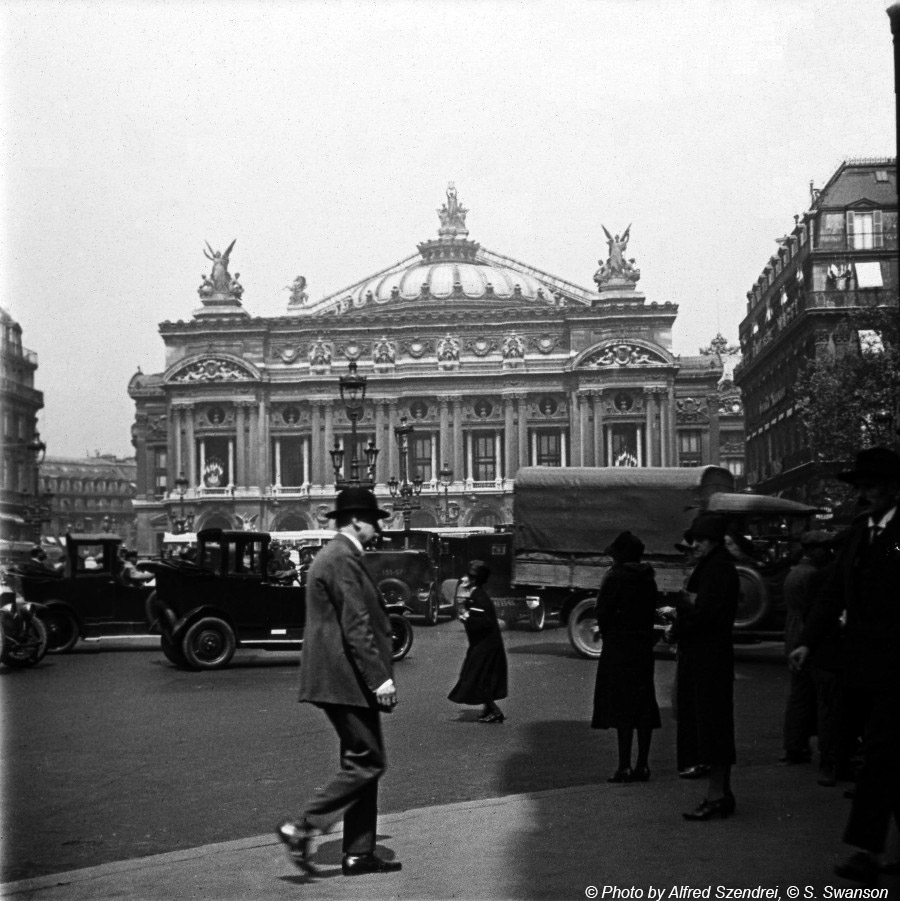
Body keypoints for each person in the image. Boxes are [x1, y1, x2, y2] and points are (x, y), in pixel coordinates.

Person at [276, 487, 400, 878]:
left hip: (340, 676)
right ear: (356, 521)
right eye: (375, 522)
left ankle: (358, 853)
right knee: (370, 760)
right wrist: (379, 679)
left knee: (360, 760)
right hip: (345, 676)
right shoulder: (343, 558)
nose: (378, 530)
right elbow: (356, 623)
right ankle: (303, 825)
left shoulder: (337, 555)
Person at [790, 447, 900, 884]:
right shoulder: (860, 533)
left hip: (897, 667)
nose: (865, 494)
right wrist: (807, 643)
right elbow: (833, 591)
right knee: (882, 756)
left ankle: (869, 852)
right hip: (867, 664)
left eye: (873, 486)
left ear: (895, 488)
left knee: (879, 754)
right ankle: (876, 849)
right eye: (861, 487)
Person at [672, 513, 740, 821]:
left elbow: (705, 614)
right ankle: (721, 793)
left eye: (700, 540)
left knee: (712, 725)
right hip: (709, 654)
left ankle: (716, 796)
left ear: (713, 541)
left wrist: (677, 624)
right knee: (712, 723)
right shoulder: (716, 566)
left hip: (707, 655)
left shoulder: (717, 569)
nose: (694, 544)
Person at [590, 530, 661, 783]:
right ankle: (643, 765)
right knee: (643, 706)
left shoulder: (614, 578)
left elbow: (603, 612)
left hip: (619, 648)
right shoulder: (648, 579)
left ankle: (624, 766)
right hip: (642, 648)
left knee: (622, 708)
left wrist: (610, 634)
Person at [780, 531, 833, 767]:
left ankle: (795, 745)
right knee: (814, 696)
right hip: (804, 634)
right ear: (812, 550)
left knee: (799, 695)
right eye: (823, 548)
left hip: (793, 632)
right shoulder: (812, 575)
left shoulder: (795, 572)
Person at [448, 560, 508, 723]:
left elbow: (485, 623)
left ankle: (495, 711)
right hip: (482, 645)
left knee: (477, 677)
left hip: (486, 647)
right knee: (478, 676)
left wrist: (467, 617)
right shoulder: (475, 595)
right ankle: (488, 708)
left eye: (466, 576)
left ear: (473, 579)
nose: (462, 578)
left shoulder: (480, 597)